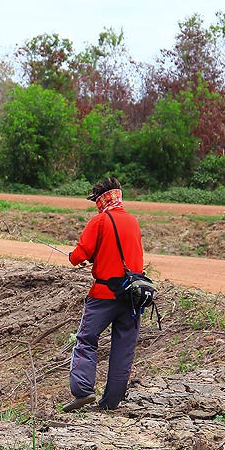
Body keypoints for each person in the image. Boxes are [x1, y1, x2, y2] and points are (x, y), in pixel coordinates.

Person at [63, 177, 144, 412]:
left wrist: (73, 257)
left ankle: (83, 391)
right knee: (124, 347)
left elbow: (80, 255)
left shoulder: (99, 221)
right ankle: (110, 403)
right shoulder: (133, 221)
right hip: (132, 295)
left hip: (103, 294)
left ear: (100, 200)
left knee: (86, 340)